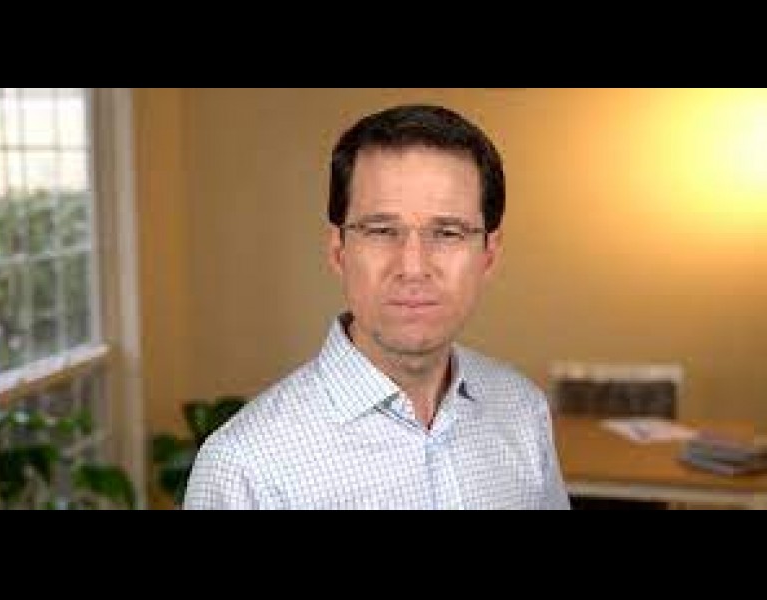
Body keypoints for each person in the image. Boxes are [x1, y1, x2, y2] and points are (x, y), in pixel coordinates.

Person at [183, 103, 570, 509]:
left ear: (488, 254)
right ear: (339, 251)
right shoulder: (243, 468)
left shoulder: (522, 410)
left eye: (447, 233)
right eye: (382, 230)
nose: (413, 267)